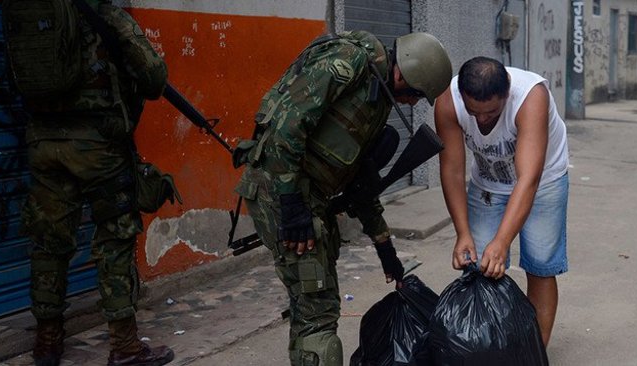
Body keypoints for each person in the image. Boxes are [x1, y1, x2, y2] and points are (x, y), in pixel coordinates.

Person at [232, 30, 452, 366]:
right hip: (280, 189)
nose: (413, 103)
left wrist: (385, 249)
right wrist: (292, 209)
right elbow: (285, 128)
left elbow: (362, 183)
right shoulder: (350, 62)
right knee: (317, 311)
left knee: (311, 304)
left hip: (308, 196)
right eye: (417, 95)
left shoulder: (376, 99)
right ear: (404, 74)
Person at [11, 1, 174, 365]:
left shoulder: (36, 17)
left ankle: (47, 343)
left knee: (48, 240)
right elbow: (154, 77)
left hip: (42, 143)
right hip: (97, 147)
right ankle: (126, 348)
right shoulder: (105, 12)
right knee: (114, 239)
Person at [434, 56, 570, 347]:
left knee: (540, 266)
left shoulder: (531, 96)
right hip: (487, 185)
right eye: (475, 112)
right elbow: (453, 171)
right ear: (462, 97)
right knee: (482, 265)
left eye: (491, 111)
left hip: (543, 181)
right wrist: (462, 233)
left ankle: (535, 352)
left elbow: (528, 179)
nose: (482, 120)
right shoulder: (448, 101)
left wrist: (503, 240)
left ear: (507, 92)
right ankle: (488, 350)